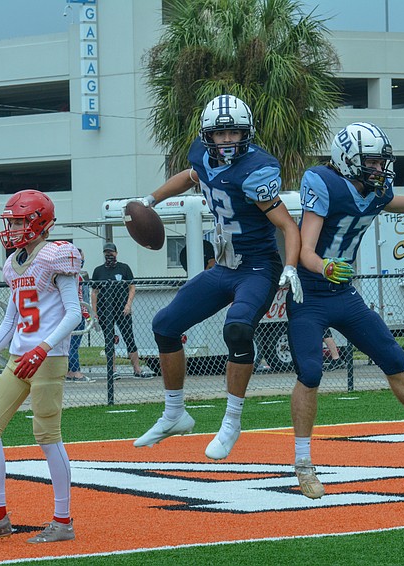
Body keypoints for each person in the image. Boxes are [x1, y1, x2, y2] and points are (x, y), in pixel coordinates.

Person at [288, 122, 404, 500]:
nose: (379, 169)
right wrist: (324, 266)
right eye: (371, 162)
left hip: (343, 291)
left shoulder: (375, 192)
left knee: (393, 356)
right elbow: (305, 249)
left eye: (380, 162)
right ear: (347, 159)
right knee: (310, 372)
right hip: (309, 293)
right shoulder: (322, 182)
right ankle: (304, 463)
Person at [133, 93, 302, 460]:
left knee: (238, 328)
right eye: (220, 133)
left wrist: (290, 266)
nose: (227, 140)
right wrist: (151, 200)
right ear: (207, 135)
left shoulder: (257, 170)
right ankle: (175, 413)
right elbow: (190, 176)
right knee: (164, 324)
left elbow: (288, 226)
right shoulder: (202, 156)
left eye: (234, 133)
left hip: (258, 266)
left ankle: (231, 422)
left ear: (247, 134)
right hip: (224, 266)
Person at [0, 189, 83, 544]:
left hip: (48, 359)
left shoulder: (58, 254)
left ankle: (63, 521)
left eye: (17, 221)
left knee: (47, 437)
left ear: (38, 221)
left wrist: (43, 348)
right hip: (19, 358)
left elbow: (74, 313)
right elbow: (10, 319)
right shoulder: (14, 263)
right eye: (10, 222)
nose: (11, 228)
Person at [90, 242, 152, 379]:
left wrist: (128, 305)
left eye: (111, 252)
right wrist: (94, 312)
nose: (109, 255)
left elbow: (132, 287)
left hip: (122, 309)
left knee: (129, 337)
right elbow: (94, 292)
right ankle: (112, 370)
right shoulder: (98, 271)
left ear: (116, 253)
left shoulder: (124, 268)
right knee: (109, 339)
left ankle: (137, 369)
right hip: (104, 309)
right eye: (106, 253)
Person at [66, 248, 93, 382]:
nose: (82, 261)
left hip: (69, 314)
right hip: (77, 315)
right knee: (74, 345)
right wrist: (87, 315)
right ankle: (76, 372)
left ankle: (70, 371)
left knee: (69, 344)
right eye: (80, 259)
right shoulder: (76, 276)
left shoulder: (68, 275)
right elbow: (80, 298)